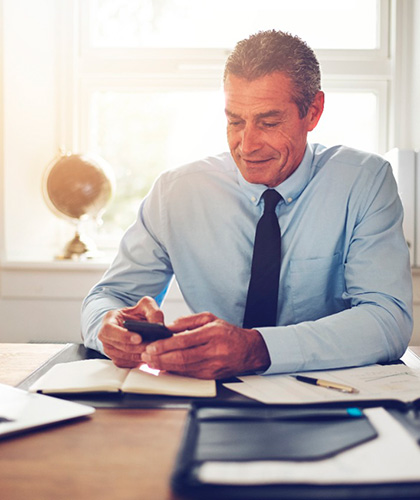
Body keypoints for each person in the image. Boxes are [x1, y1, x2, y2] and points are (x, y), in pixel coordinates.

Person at [81, 30, 412, 379]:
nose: (247, 145)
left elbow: (387, 319)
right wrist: (107, 329)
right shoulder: (176, 192)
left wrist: (257, 349)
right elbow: (110, 296)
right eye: (234, 121)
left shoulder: (365, 182)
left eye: (269, 123)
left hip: (327, 395)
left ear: (313, 112)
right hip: (206, 395)